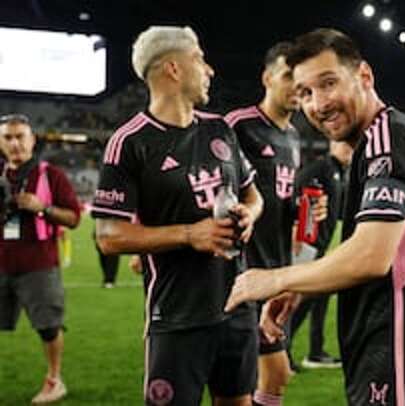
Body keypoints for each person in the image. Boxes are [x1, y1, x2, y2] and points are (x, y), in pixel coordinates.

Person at [225, 28, 405, 406]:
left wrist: (274, 279)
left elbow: (370, 257)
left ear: (364, 76)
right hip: (404, 358)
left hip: (400, 363)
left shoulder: (389, 141)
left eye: (328, 83)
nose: (318, 104)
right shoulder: (379, 142)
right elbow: (379, 253)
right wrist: (301, 287)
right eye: (305, 92)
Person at [91, 26, 263, 406]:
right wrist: (189, 234)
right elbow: (108, 235)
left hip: (237, 304)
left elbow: (254, 196)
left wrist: (249, 214)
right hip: (177, 316)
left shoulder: (220, 128)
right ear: (173, 68)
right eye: (200, 59)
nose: (209, 69)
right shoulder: (129, 142)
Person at [224, 41, 325, 406]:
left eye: (301, 79)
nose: (297, 86)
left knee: (272, 376)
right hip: (241, 269)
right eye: (287, 76)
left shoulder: (293, 136)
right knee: (255, 378)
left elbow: (279, 198)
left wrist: (305, 210)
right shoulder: (239, 125)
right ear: (267, 78)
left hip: (275, 268)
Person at [0, 113, 82, 404]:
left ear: (32, 140)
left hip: (39, 265)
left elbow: (74, 218)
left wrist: (42, 208)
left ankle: (54, 380)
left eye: (20, 136)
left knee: (48, 327)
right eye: (7, 137)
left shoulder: (50, 175)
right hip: (1, 264)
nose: (14, 143)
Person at [287, 140, 353, 370]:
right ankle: (280, 350)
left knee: (319, 295)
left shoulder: (339, 171)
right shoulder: (321, 167)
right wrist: (297, 227)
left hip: (321, 244)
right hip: (307, 242)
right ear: (332, 144)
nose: (349, 150)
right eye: (344, 145)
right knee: (296, 299)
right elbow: (299, 191)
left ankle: (315, 351)